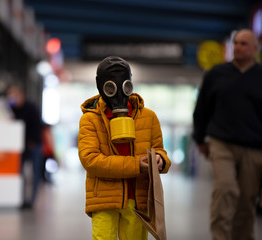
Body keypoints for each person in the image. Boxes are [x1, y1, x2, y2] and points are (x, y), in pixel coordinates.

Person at [78, 56, 171, 240]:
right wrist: (136, 165)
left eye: (124, 85)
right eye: (110, 87)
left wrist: (160, 160)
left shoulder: (148, 117)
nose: (119, 92)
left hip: (137, 199)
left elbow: (160, 150)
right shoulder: (90, 119)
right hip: (104, 199)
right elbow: (91, 160)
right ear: (100, 86)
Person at [192, 29, 262, 240]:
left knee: (246, 199)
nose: (238, 47)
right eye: (236, 43)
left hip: (254, 147)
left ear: (254, 49)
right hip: (221, 142)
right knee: (225, 188)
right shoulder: (216, 74)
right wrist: (200, 138)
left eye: (243, 43)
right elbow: (202, 108)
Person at [7, 85, 43, 209]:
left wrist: (33, 141)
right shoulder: (12, 109)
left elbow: (38, 126)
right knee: (19, 173)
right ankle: (21, 200)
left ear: (21, 95)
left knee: (34, 173)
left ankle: (31, 201)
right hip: (20, 146)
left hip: (34, 144)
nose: (13, 99)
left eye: (15, 96)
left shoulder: (31, 107)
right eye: (10, 96)